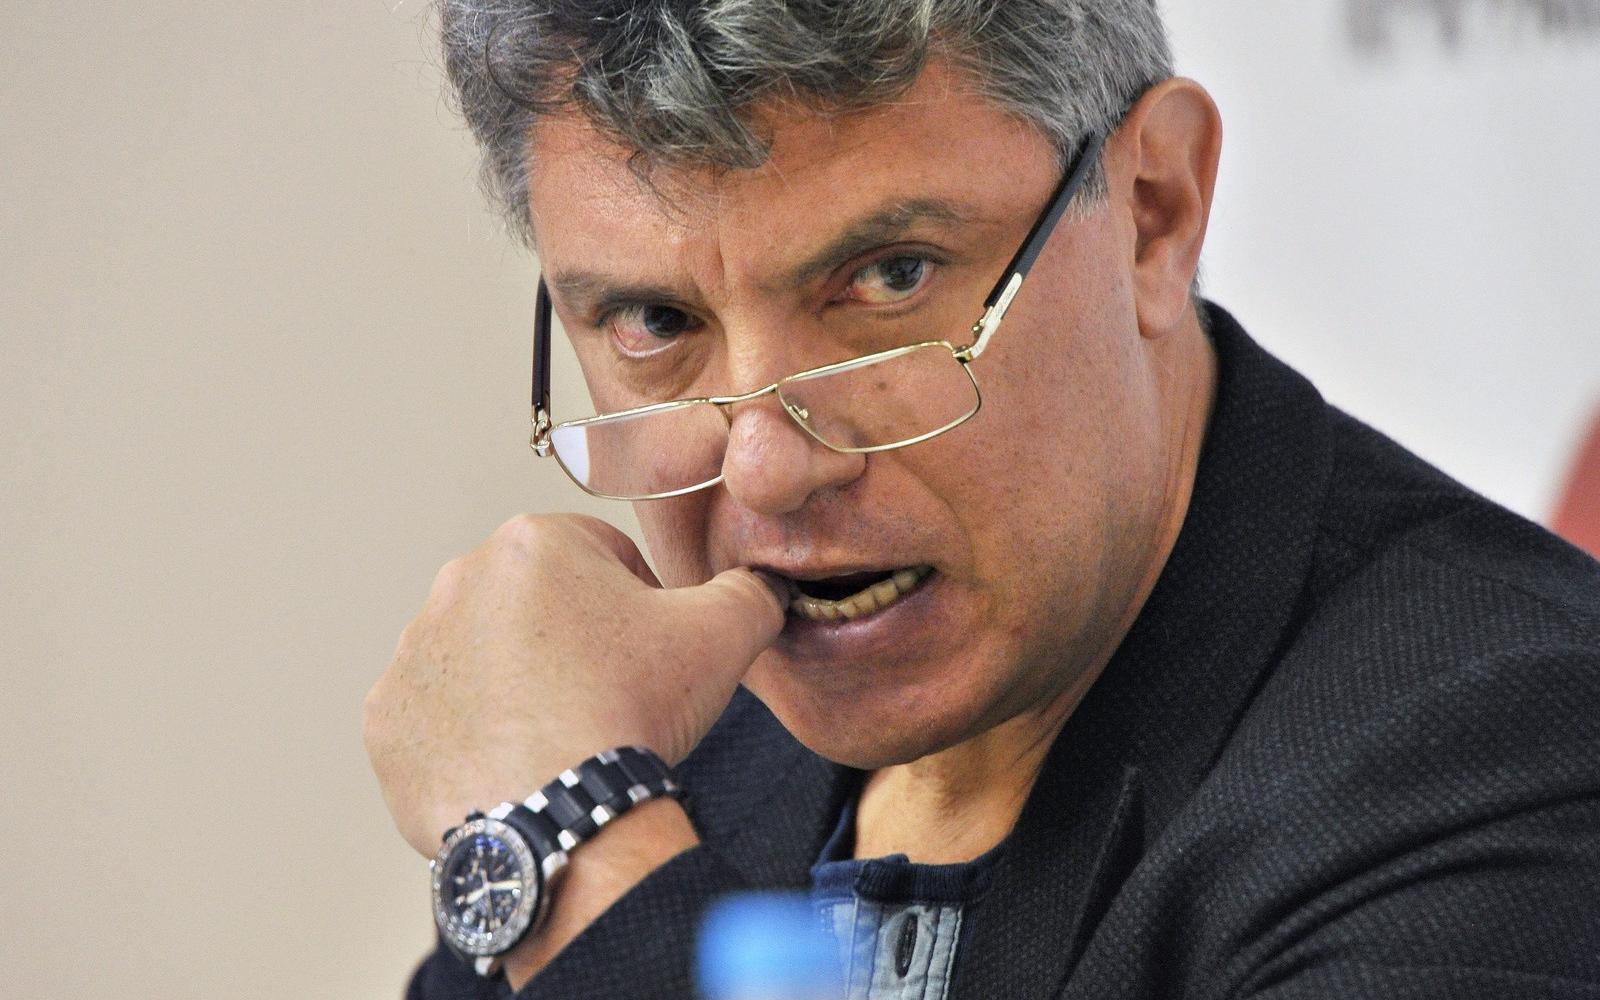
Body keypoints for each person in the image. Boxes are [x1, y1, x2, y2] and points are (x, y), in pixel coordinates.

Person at [362, 2, 1600, 997]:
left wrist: (576, 853)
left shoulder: (1512, 749)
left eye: (890, 277)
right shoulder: (676, 749)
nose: (765, 468)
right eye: (653, 320)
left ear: (1153, 212)